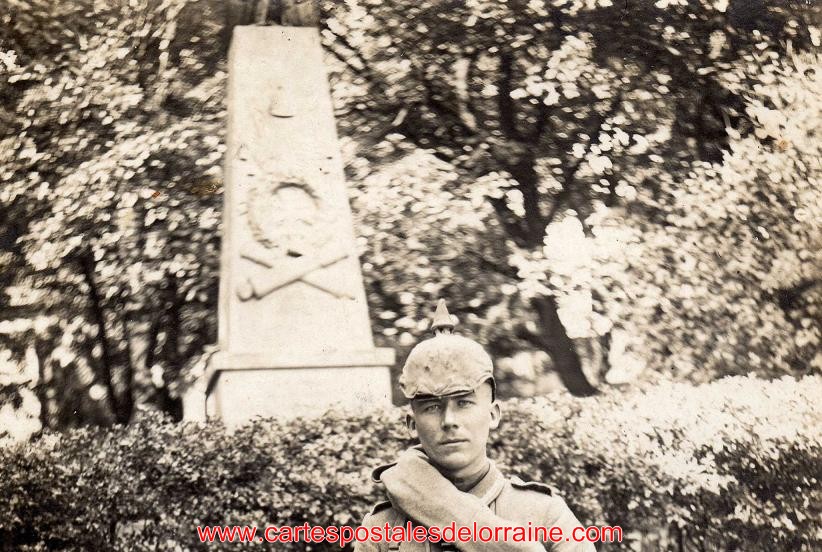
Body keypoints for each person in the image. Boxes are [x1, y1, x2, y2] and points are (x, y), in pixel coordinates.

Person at [355, 300, 595, 551]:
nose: (449, 421)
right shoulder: (381, 530)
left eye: (464, 403)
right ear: (412, 424)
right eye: (432, 407)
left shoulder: (544, 514)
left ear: (493, 415)